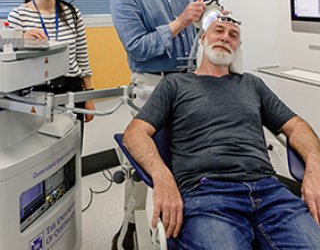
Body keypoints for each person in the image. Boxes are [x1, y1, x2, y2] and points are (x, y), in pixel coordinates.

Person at [123, 15, 320, 249]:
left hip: (269, 191)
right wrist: (162, 176)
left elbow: (297, 126)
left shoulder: (252, 85)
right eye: (219, 31)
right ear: (204, 38)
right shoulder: (175, 85)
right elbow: (135, 133)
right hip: (208, 194)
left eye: (233, 35)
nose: (225, 37)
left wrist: (314, 168)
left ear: (238, 47)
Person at [110, 0, 205, 249]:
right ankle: (132, 226)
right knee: (148, 162)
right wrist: (180, 22)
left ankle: (185, 223)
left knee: (186, 155)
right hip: (152, 83)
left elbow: (194, 23)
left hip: (188, 77)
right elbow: (137, 47)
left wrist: (205, 22)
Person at [8, 0, 95, 142]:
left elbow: (82, 57)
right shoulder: (18, 16)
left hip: (71, 90)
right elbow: (9, 58)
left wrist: (89, 96)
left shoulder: (73, 14)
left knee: (73, 151)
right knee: (39, 155)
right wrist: (21, 39)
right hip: (36, 94)